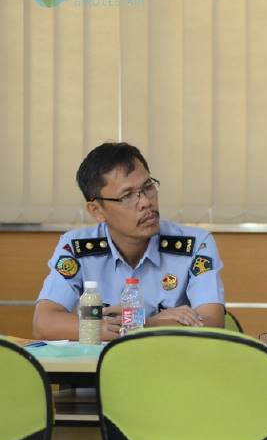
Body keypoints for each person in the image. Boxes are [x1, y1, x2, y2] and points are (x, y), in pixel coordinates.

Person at [32, 142, 225, 340]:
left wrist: (142, 324)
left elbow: (213, 322)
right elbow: (43, 323)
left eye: (148, 187)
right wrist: (140, 324)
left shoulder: (195, 244)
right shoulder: (76, 247)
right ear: (96, 210)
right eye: (127, 196)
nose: (146, 202)